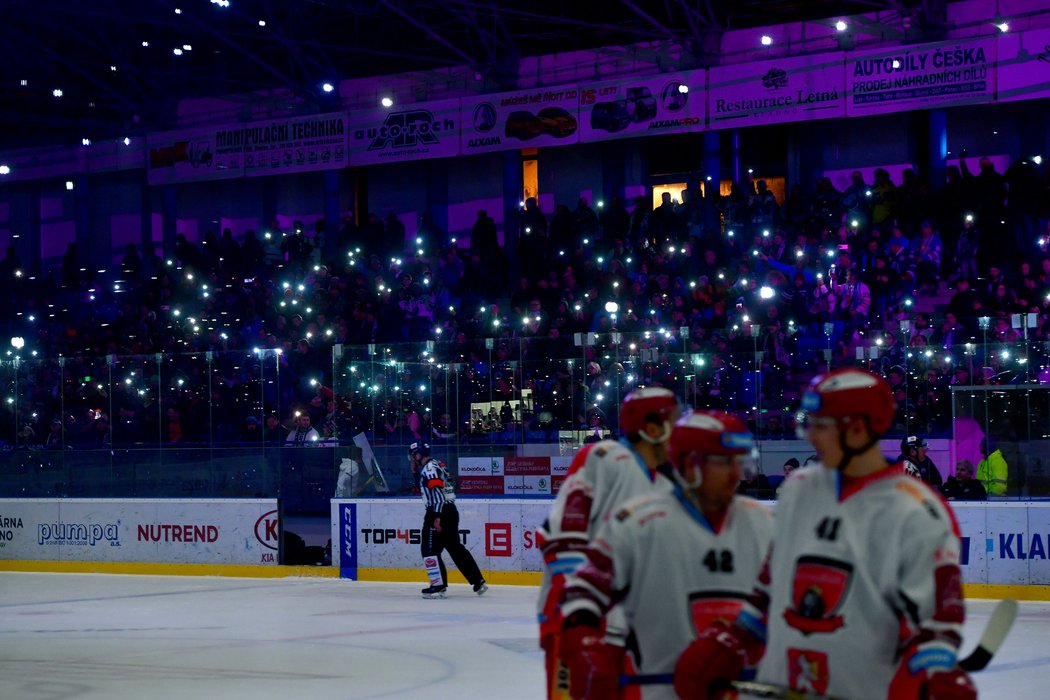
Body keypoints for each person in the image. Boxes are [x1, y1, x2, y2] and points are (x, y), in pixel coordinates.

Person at [674, 367, 974, 700]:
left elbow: (938, 618)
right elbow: (773, 583)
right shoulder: (800, 488)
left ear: (858, 428)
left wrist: (940, 672)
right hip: (781, 686)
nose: (811, 437)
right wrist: (736, 640)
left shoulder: (914, 508)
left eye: (821, 426)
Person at [557, 411, 774, 700]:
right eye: (724, 462)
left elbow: (788, 601)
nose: (736, 474)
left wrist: (744, 638)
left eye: (740, 462)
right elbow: (583, 590)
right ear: (689, 463)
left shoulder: (765, 523)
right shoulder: (636, 523)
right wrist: (584, 644)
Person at [536, 387, 680, 700]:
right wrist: (577, 616)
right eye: (675, 420)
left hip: (628, 630)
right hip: (578, 622)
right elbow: (562, 536)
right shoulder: (605, 458)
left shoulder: (669, 482)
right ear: (652, 427)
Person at [410, 441, 487, 599]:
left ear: (419, 454)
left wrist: (437, 516)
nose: (413, 458)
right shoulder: (437, 464)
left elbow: (437, 492)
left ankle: (438, 586)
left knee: (429, 549)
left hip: (438, 511)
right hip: (450, 510)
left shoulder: (430, 469)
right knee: (455, 548)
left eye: (414, 455)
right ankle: (478, 581)